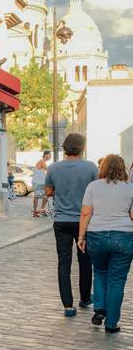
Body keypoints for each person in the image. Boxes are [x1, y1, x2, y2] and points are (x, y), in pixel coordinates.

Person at [78, 154, 133, 333]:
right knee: (117, 280)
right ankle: (111, 323)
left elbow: (86, 213)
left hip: (97, 234)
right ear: (122, 168)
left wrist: (81, 237)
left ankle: (100, 307)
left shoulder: (93, 186)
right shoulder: (130, 188)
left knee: (100, 272)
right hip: (124, 236)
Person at [45, 133, 98, 317]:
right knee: (85, 260)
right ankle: (85, 298)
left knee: (64, 262)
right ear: (82, 147)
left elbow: (48, 192)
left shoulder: (53, 168)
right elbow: (97, 191)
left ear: (65, 147)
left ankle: (68, 305)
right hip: (84, 220)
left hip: (61, 221)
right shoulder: (91, 167)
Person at [33, 151, 51, 217]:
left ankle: (39, 210)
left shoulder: (42, 162)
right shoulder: (42, 162)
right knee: (40, 196)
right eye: (49, 155)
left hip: (40, 182)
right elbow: (49, 170)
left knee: (44, 196)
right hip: (38, 182)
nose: (50, 156)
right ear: (45, 155)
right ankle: (37, 211)